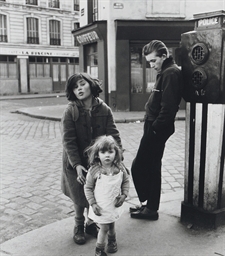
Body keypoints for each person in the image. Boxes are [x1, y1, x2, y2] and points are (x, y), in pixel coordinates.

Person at [61, 73, 123, 245]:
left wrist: (119, 158)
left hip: (98, 161)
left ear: (91, 85)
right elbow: (68, 141)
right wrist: (77, 164)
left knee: (96, 192)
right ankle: (79, 225)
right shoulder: (70, 111)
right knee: (79, 194)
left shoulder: (104, 110)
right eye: (75, 87)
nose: (79, 89)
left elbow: (114, 136)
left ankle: (90, 223)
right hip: (75, 162)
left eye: (82, 84)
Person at [130, 40, 183, 220]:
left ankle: (151, 208)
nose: (151, 65)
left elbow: (168, 108)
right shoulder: (165, 72)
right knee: (151, 166)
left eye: (153, 61)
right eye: (149, 62)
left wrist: (154, 130)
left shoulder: (170, 73)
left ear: (164, 56)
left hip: (156, 127)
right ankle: (149, 206)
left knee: (140, 166)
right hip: (154, 125)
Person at [84, 135, 130, 256]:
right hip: (101, 206)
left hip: (114, 204)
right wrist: (92, 203)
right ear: (97, 154)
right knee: (104, 228)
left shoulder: (120, 168)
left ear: (116, 152)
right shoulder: (94, 171)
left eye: (110, 151)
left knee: (112, 222)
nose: (107, 155)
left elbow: (125, 181)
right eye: (103, 152)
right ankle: (99, 250)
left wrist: (124, 195)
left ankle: (112, 241)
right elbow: (88, 187)